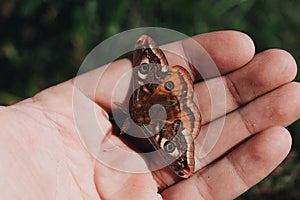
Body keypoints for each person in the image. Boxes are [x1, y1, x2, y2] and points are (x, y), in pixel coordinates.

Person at [0, 30, 299, 199]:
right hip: (166, 107)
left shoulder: (146, 117)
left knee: (148, 87)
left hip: (160, 111)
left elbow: (145, 55)